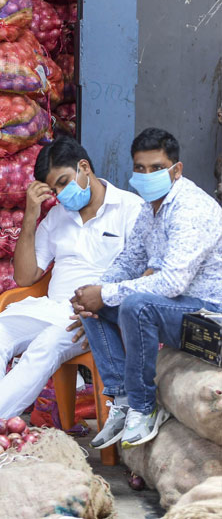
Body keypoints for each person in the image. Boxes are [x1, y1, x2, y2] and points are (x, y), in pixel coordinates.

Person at [0, 136, 142, 420]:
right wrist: (31, 215)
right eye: (54, 189)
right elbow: (25, 276)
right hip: (52, 308)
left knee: (45, 346)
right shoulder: (58, 216)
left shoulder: (131, 209)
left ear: (84, 167)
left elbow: (145, 275)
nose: (60, 194)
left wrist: (105, 312)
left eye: (63, 182)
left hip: (94, 314)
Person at [71, 128, 222, 449]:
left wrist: (107, 294)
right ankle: (123, 398)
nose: (147, 174)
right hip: (174, 308)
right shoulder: (148, 209)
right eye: (140, 168)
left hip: (209, 313)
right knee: (93, 302)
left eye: (156, 168)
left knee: (134, 305)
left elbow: (172, 282)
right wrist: (95, 292)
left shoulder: (192, 209)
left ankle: (144, 405)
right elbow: (128, 261)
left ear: (176, 170)